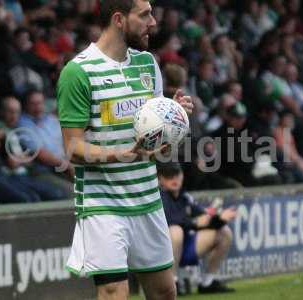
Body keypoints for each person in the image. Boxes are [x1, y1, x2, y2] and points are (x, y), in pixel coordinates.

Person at [57, 1, 193, 300]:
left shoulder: (147, 64)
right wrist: (124, 153)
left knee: (164, 292)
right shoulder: (78, 72)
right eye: (144, 15)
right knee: (113, 292)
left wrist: (172, 119)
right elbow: (73, 148)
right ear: (119, 19)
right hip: (102, 203)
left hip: (146, 198)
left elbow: (154, 145)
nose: (153, 22)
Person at [158, 162, 236, 294]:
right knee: (175, 231)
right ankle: (173, 282)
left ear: (182, 175)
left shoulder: (184, 197)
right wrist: (194, 223)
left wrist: (220, 219)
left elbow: (204, 219)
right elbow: (171, 221)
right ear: (160, 179)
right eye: (168, 176)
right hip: (161, 254)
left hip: (183, 249)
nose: (174, 179)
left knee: (225, 232)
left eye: (176, 175)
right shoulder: (159, 196)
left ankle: (207, 282)